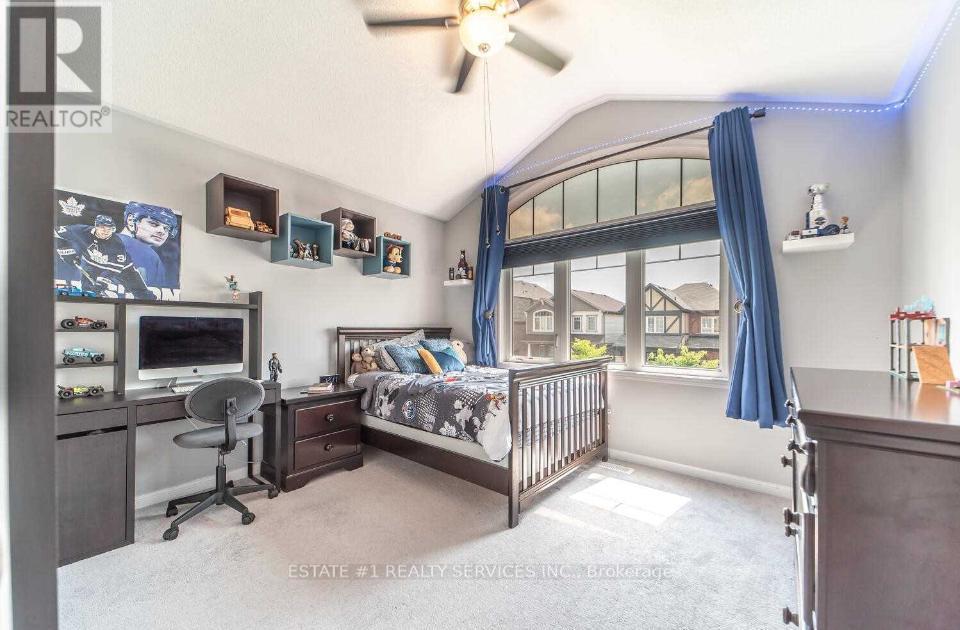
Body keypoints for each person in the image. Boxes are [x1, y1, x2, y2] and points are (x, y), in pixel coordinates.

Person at [55, 214, 155, 299]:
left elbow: (114, 268)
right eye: (102, 227)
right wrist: (64, 249)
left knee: (141, 292)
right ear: (96, 226)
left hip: (123, 269)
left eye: (109, 229)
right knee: (90, 293)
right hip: (91, 265)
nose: (106, 231)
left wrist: (102, 281)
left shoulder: (117, 243)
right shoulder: (80, 231)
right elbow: (55, 232)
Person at [119, 202, 180, 288]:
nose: (162, 232)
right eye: (154, 224)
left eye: (167, 228)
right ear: (131, 221)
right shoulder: (151, 256)